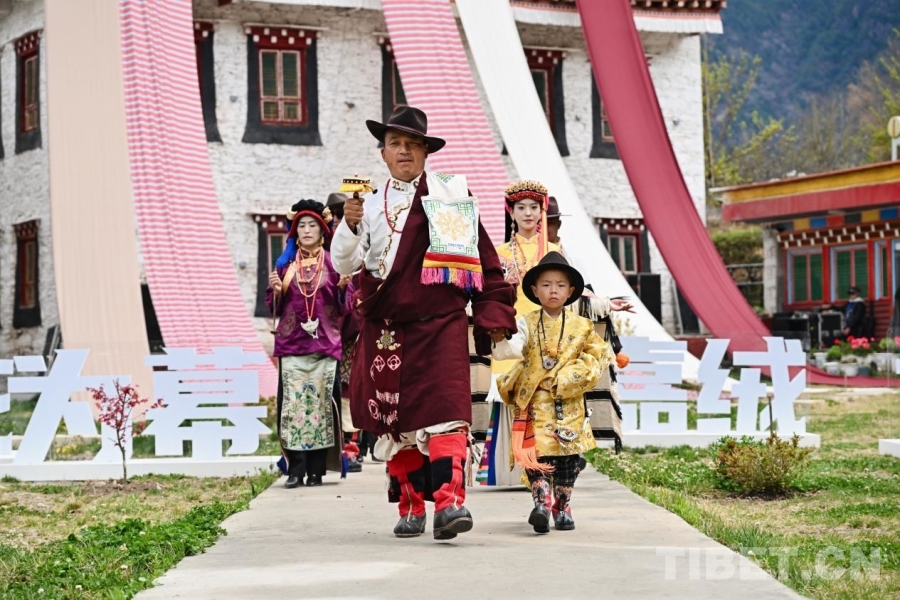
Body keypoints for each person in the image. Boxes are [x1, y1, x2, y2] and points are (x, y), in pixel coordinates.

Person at [330, 106, 517, 540]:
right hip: (386, 326)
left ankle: (450, 505)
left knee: (448, 410)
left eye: (413, 144)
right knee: (396, 420)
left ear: (426, 152)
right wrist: (349, 226)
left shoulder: (450, 195)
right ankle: (412, 506)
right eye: (395, 144)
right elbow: (345, 264)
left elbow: (483, 260)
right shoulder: (367, 205)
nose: (404, 151)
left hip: (440, 322)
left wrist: (492, 313)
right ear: (382, 153)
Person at [491, 252, 610, 533]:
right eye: (546, 285)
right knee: (537, 456)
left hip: (568, 404)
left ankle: (562, 507)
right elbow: (512, 348)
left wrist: (566, 378)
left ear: (570, 291)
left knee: (568, 458)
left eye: (560, 285)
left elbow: (598, 357)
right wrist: (499, 337)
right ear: (534, 290)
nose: (553, 290)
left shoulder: (583, 327)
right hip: (535, 403)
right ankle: (542, 504)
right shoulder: (527, 322)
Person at [267, 199, 349, 488]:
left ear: (323, 230)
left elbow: (347, 306)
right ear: (295, 232)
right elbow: (272, 305)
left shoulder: (334, 263)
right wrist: (276, 291)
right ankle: (295, 470)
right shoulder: (285, 265)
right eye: (301, 225)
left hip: (324, 345)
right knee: (294, 408)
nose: (306, 230)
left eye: (312, 225)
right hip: (292, 346)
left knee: (321, 408)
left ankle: (316, 471)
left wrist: (343, 290)